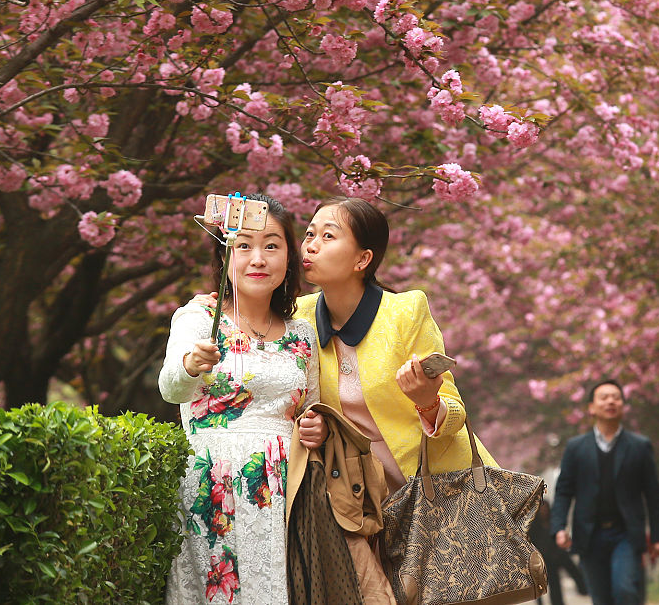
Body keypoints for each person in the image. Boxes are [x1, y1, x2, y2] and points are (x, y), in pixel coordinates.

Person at [293, 197, 495, 601]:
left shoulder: (405, 311)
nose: (310, 245)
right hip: (361, 504)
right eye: (309, 234)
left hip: (439, 495)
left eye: (328, 236)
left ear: (362, 259)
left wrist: (427, 402)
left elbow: (455, 411)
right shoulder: (298, 317)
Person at [159, 193, 327, 605]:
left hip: (285, 490)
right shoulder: (199, 318)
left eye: (271, 245)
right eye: (244, 245)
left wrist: (314, 425)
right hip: (212, 485)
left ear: (289, 258)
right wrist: (191, 364)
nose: (258, 258)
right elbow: (171, 389)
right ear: (225, 255)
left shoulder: (302, 334)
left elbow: (311, 407)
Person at [551, 379, 659, 605]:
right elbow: (564, 490)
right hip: (589, 536)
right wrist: (559, 527)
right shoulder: (576, 447)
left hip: (626, 534)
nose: (610, 402)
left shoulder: (639, 446)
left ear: (623, 405)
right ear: (591, 408)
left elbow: (653, 494)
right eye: (604, 397)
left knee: (625, 590)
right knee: (601, 598)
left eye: (616, 397)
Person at [528, 497, 587, 605]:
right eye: (542, 508)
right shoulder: (534, 526)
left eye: (546, 508)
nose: (544, 511)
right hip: (546, 559)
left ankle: (583, 589)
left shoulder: (553, 522)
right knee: (553, 582)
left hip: (559, 554)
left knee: (574, 571)